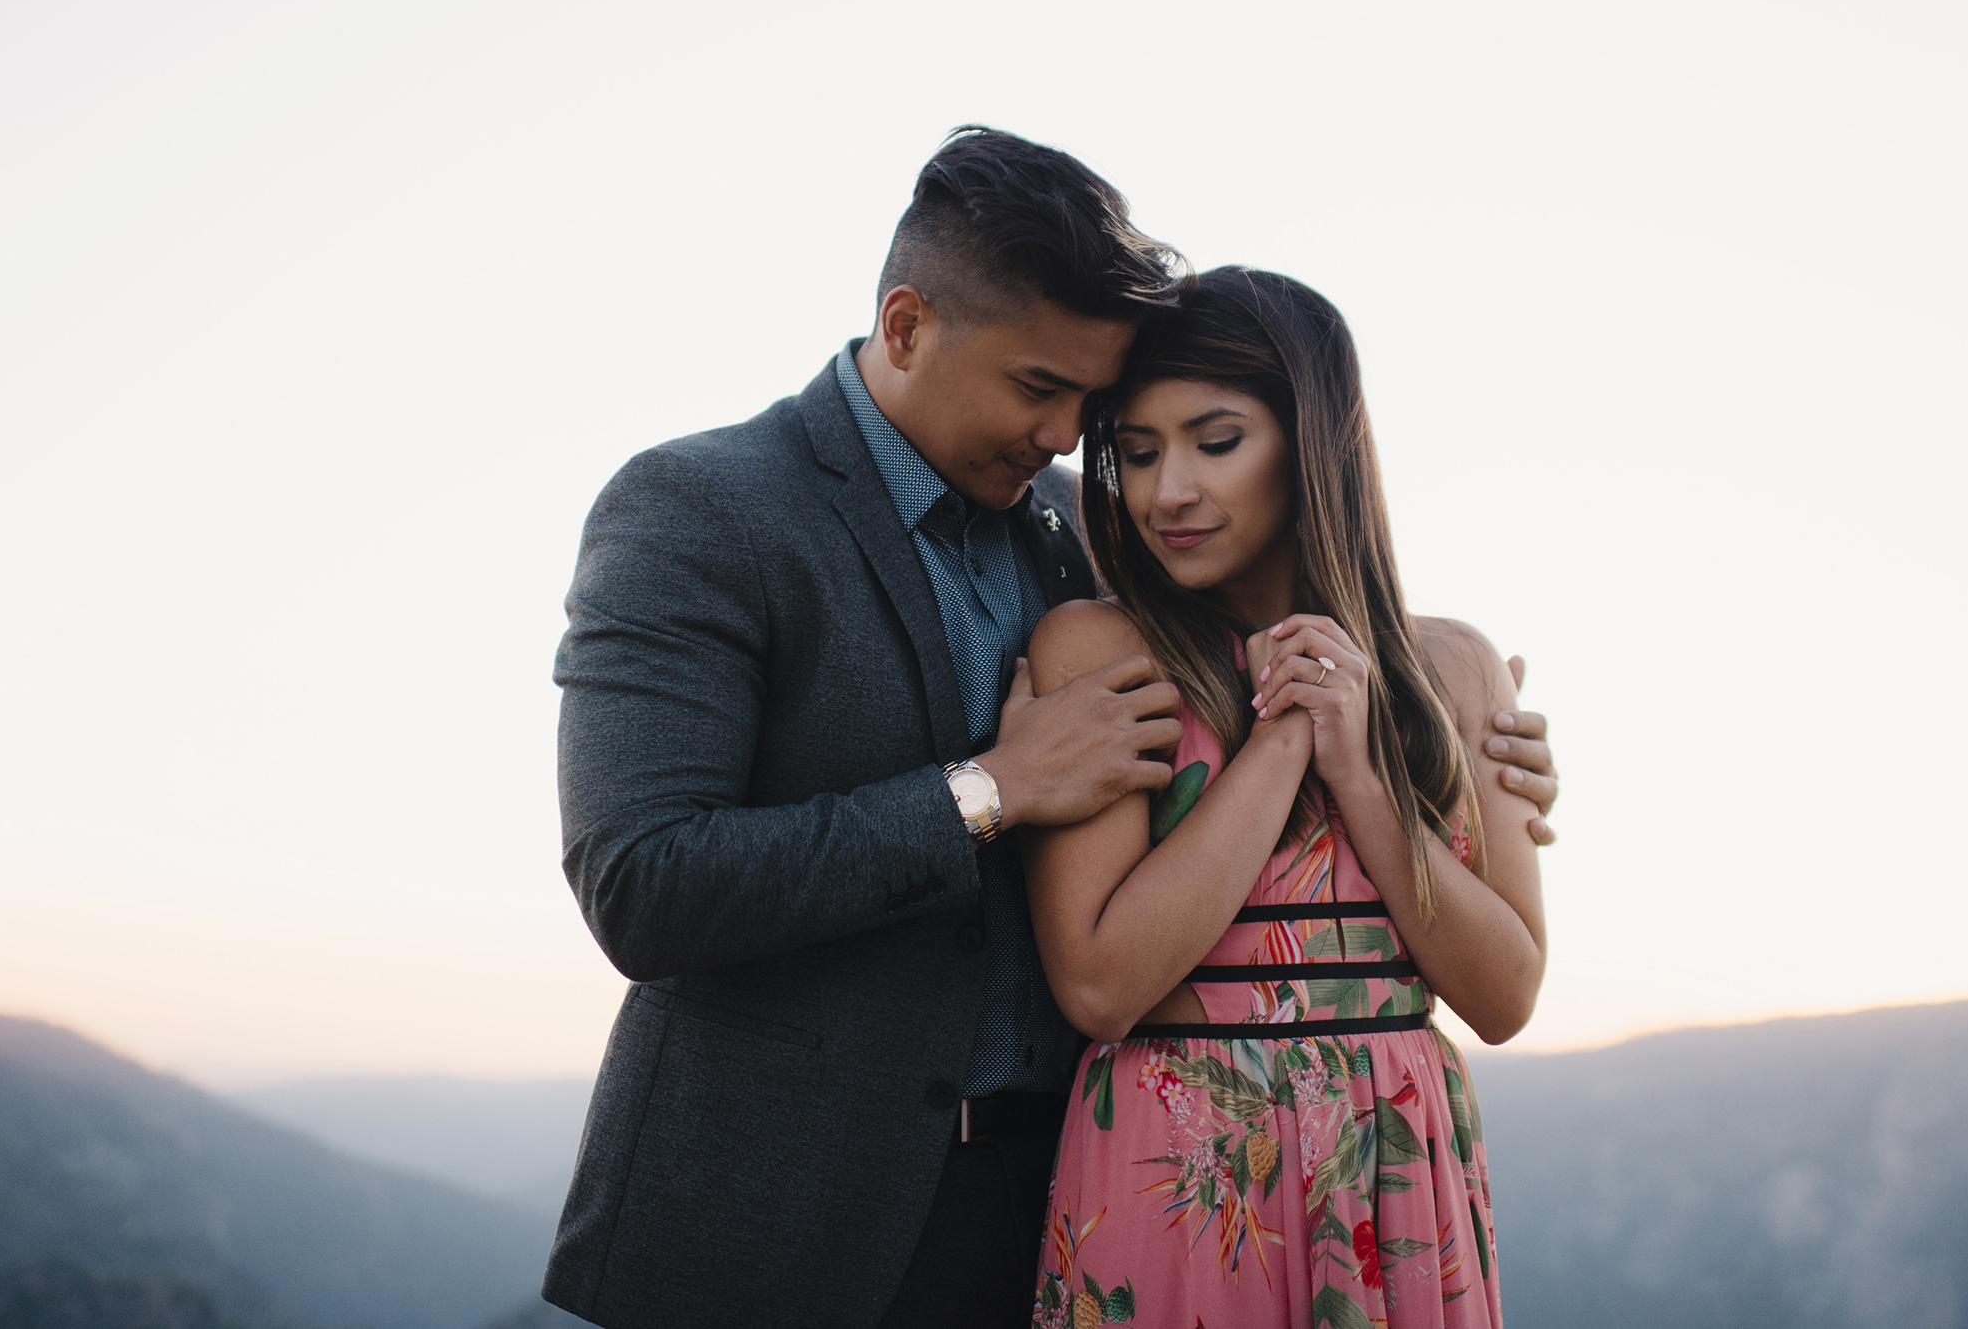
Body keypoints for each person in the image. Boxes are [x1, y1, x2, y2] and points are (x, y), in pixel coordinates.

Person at [542, 129, 1560, 1329]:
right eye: (1042, 388)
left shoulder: (1090, 533)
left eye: (1091, 401)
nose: (1075, 434)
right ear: (910, 326)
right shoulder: (702, 509)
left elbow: (1283, 638)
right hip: (789, 1218)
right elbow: (643, 884)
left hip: (1072, 1196)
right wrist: (988, 790)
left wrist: (1458, 740)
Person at [1021, 267, 1546, 1328]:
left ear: (1313, 444)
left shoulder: (1454, 670)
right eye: (1135, 452)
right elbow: (1100, 985)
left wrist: (1358, 766)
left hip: (1397, 1158)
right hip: (1179, 1175)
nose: (1167, 490)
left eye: (1216, 442)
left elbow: (1504, 995)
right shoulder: (1101, 650)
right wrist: (1284, 734)